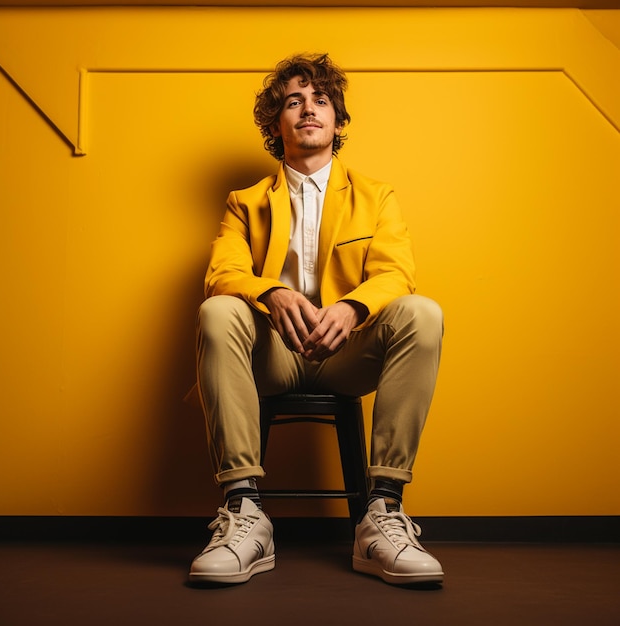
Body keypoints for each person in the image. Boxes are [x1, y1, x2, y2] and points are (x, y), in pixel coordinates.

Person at [189, 53, 444, 586]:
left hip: (349, 355)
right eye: (293, 101)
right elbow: (222, 273)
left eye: (321, 100)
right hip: (273, 358)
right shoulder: (246, 202)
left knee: (422, 312)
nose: (308, 109)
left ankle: (382, 512)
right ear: (275, 123)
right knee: (218, 309)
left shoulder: (377, 197)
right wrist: (269, 293)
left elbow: (397, 275)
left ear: (338, 120)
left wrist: (351, 308)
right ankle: (243, 513)